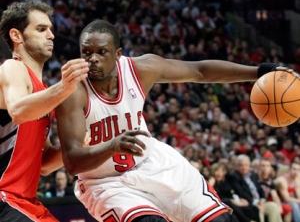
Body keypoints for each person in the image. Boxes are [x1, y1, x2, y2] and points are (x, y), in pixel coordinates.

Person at [55, 19, 289, 222]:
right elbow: (73, 163)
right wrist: (113, 145)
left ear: (118, 54)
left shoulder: (141, 69)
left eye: (101, 52)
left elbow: (200, 71)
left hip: (152, 163)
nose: (92, 59)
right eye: (86, 52)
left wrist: (260, 71)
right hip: (105, 181)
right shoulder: (74, 91)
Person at [0, 1, 88, 222]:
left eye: (50, 29)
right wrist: (64, 87)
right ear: (16, 36)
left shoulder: (44, 93)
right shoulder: (13, 68)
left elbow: (46, 165)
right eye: (41, 29)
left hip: (26, 201)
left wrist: (82, 142)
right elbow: (18, 110)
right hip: (3, 198)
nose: (51, 35)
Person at [228, 154, 283, 222]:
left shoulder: (253, 175)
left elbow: (260, 190)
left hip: (260, 202)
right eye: (241, 165)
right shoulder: (234, 177)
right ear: (236, 166)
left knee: (273, 206)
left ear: (249, 166)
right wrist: (255, 203)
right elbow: (241, 193)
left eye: (246, 165)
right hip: (250, 204)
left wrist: (262, 201)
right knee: (257, 210)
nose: (243, 167)